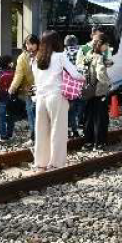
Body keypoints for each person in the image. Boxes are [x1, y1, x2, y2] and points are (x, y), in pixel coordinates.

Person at [31, 30, 83, 170]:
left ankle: (40, 162)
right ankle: (55, 163)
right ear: (56, 42)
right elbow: (75, 74)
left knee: (41, 131)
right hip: (56, 96)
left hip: (40, 98)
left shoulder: (37, 59)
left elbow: (36, 81)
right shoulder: (60, 56)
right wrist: (83, 78)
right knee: (58, 130)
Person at [81, 35, 112, 151]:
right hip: (99, 92)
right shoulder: (99, 57)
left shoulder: (88, 55)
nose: (107, 47)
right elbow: (100, 74)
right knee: (100, 118)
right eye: (106, 44)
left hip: (88, 91)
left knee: (89, 117)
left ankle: (88, 142)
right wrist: (109, 83)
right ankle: (99, 143)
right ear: (101, 45)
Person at [8, 34, 39, 146]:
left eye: (32, 44)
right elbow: (19, 74)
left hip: (42, 87)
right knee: (31, 112)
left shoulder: (42, 54)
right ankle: (34, 137)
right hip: (31, 88)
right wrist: (13, 87)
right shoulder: (23, 57)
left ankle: (39, 137)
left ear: (37, 44)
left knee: (36, 112)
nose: (29, 46)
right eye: (27, 44)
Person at [64, 35, 85, 138]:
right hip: (79, 84)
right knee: (80, 106)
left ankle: (71, 129)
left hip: (68, 85)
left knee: (70, 109)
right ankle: (79, 127)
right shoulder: (81, 52)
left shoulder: (64, 53)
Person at [0, 55, 16, 142]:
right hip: (11, 98)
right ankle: (10, 134)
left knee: (1, 117)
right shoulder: (14, 73)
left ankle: (3, 136)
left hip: (1, 98)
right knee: (11, 116)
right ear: (8, 63)